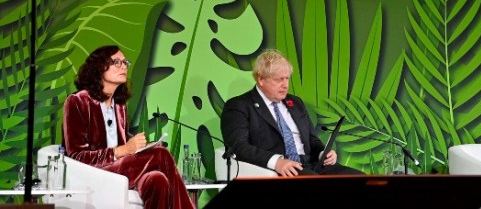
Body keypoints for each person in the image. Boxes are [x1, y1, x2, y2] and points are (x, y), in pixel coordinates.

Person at [63, 45, 193, 209]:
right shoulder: (77, 102)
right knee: (161, 155)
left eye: (125, 62)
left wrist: (141, 148)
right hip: (93, 174)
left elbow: (123, 145)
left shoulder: (119, 105)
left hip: (119, 171)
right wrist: (121, 151)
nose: (123, 66)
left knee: (157, 180)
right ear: (98, 67)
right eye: (116, 62)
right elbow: (77, 156)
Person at [221, 49, 363, 175]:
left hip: (313, 164)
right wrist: (276, 162)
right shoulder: (239, 106)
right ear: (260, 79)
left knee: (360, 179)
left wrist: (323, 153)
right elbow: (238, 146)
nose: (285, 85)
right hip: (283, 168)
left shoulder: (295, 103)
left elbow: (312, 139)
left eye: (287, 78)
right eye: (279, 80)